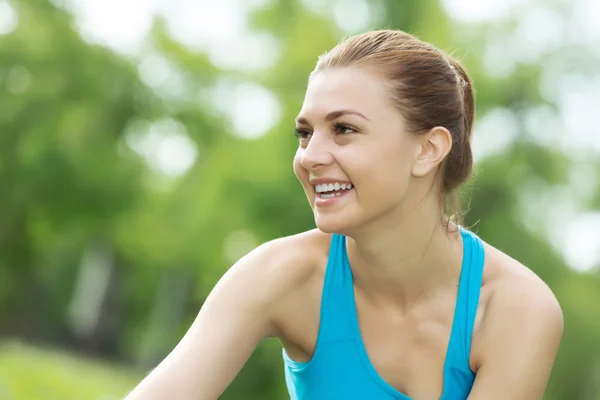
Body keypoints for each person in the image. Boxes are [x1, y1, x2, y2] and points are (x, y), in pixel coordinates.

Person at [125, 29, 563, 400]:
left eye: (344, 129)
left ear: (427, 150)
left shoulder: (515, 310)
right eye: (304, 133)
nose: (309, 157)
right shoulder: (278, 275)